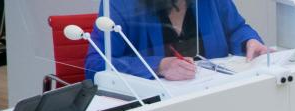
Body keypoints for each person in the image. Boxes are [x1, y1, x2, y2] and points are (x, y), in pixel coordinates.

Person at [85, 0, 268, 81]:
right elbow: (96, 64)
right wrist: (159, 66)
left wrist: (248, 41)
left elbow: (236, 28)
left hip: (214, 96)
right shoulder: (121, 4)